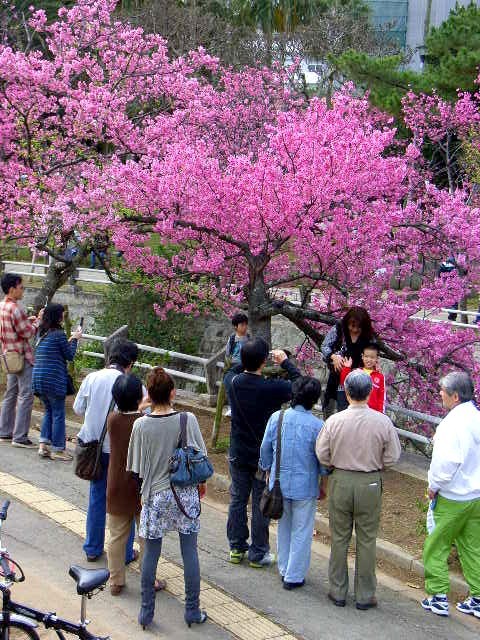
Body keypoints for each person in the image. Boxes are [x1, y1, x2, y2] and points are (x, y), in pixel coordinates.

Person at [127, 367, 208, 629]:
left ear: (148, 395)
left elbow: (136, 467)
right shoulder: (188, 419)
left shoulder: (141, 424)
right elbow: (201, 456)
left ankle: (146, 613)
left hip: (155, 494)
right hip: (185, 495)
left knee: (151, 553)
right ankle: (192, 611)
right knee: (189, 552)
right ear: (173, 392)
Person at [316, 370, 401, 610]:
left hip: (341, 479)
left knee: (339, 537)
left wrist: (333, 463)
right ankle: (365, 594)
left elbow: (322, 453)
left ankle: (337, 590)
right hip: (370, 482)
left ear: (347, 391)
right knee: (367, 540)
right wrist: (377, 465)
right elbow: (393, 456)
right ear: (369, 391)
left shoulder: (334, 420)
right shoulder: (383, 422)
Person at [226, 337, 301, 567]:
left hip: (238, 452)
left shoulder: (233, 382)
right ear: (263, 361)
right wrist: (285, 362)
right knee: (260, 502)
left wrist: (246, 359)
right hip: (262, 456)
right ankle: (258, 553)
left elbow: (233, 369)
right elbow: (300, 386)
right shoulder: (273, 388)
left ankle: (237, 548)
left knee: (238, 499)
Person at [259, 376, 329, 589]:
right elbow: (323, 459)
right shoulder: (318, 425)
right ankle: (294, 575)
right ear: (314, 399)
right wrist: (323, 483)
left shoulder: (277, 418)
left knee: (284, 526)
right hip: (306, 485)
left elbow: (265, 449)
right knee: (302, 530)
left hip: (279, 482)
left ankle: (284, 568)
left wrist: (268, 469)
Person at [73, 338, 139, 562]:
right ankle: (125, 553)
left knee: (97, 498)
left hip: (94, 448)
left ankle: (92, 548)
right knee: (125, 503)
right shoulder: (132, 384)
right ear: (130, 362)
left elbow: (78, 408)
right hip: (121, 452)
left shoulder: (92, 377)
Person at [421, 372, 480, 619]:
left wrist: (433, 486)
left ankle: (437, 596)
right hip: (475, 496)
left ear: (455, 396)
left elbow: (445, 464)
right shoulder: (476, 418)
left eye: (443, 391)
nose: (440, 394)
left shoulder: (450, 425)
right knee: (473, 547)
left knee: (436, 545)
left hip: (451, 497)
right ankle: (477, 597)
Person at [33, 303, 82, 461]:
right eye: (62, 313)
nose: (63, 316)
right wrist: (75, 339)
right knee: (59, 413)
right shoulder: (59, 334)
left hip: (38, 380)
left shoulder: (42, 333)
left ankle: (43, 445)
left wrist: (69, 339)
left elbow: (54, 350)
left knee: (49, 411)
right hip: (53, 380)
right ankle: (58, 449)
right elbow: (69, 355)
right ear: (57, 316)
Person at [0, 273, 43, 448]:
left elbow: (15, 327)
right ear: (12, 289)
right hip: (22, 357)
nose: (22, 290)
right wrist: (37, 321)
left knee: (10, 394)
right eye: (21, 287)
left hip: (8, 356)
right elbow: (27, 333)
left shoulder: (2, 306)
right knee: (26, 396)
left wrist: (27, 321)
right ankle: (20, 437)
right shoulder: (16, 309)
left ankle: (4, 431)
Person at [321, 307, 374, 416]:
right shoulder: (339, 329)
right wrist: (333, 356)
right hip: (336, 377)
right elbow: (325, 346)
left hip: (357, 380)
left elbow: (372, 355)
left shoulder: (368, 336)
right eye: (352, 326)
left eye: (358, 327)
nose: (354, 330)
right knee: (330, 409)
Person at [338, 343, 386, 413]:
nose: (369, 360)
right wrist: (346, 368)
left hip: (372, 413)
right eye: (366, 356)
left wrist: (381, 413)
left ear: (377, 359)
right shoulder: (357, 372)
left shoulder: (380, 377)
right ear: (362, 356)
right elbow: (344, 383)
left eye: (372, 357)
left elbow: (381, 397)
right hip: (355, 411)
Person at [223, 312, 249, 415]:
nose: (245, 327)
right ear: (235, 326)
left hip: (245, 366)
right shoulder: (232, 338)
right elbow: (228, 353)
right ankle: (231, 407)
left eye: (246, 324)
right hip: (234, 365)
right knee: (230, 386)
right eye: (242, 325)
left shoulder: (249, 338)